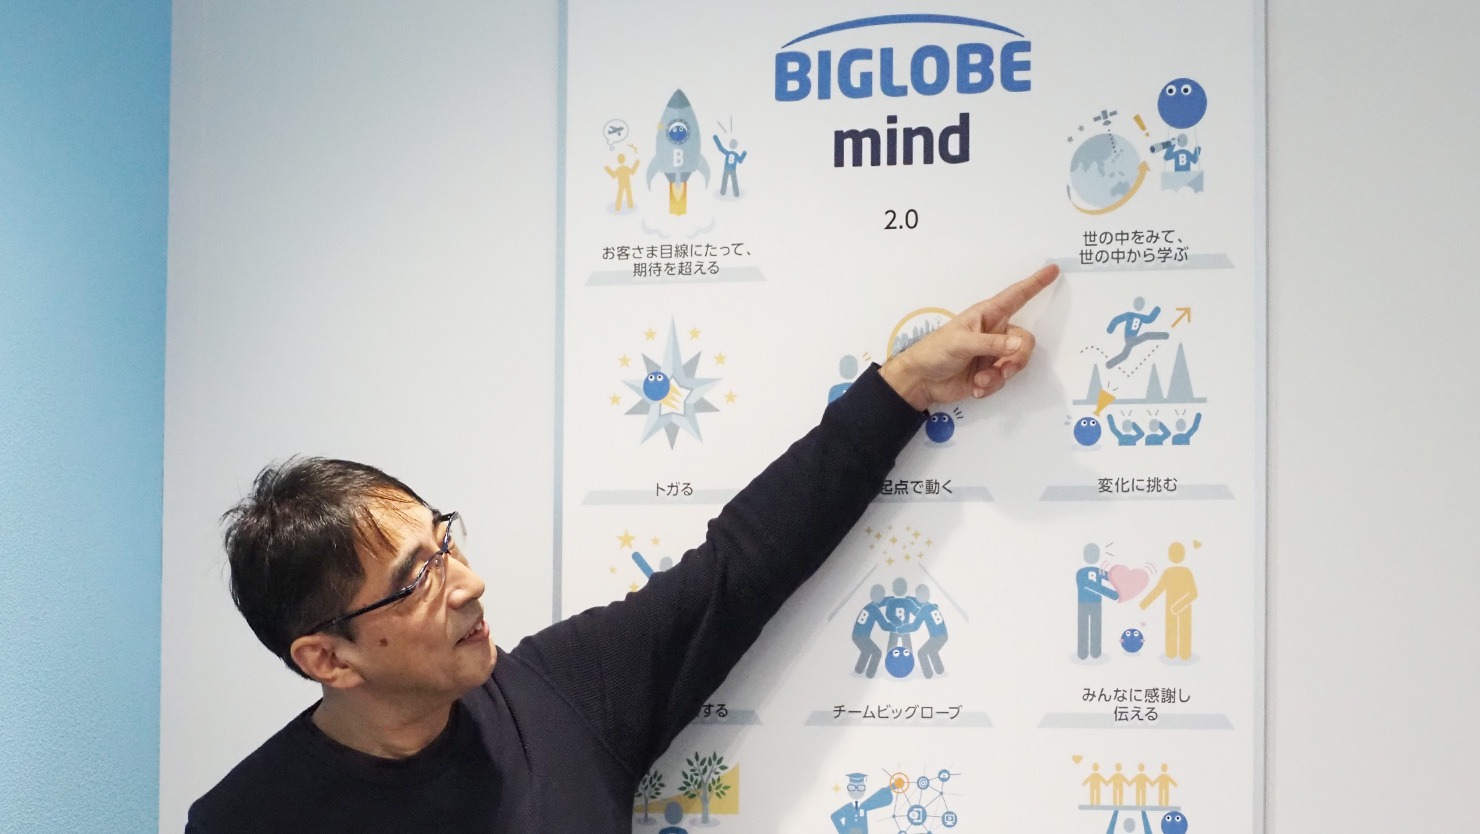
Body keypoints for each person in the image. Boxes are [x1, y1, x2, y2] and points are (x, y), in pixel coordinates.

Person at [185, 265, 1058, 832]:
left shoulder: (563, 696)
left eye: (444, 540)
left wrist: (904, 385)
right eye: (416, 579)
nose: (468, 583)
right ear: (327, 658)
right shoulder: (244, 820)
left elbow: (740, 567)